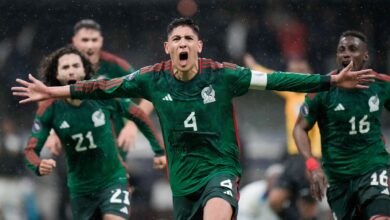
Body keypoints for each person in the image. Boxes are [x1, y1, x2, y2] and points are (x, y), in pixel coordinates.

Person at [13, 18, 374, 220]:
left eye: (189, 38)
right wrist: (53, 92)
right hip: (181, 179)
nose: (182, 43)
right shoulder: (150, 78)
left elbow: (277, 79)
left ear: (198, 47)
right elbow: (102, 87)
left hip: (220, 168)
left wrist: (330, 80)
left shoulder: (224, 75)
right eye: (176, 39)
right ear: (167, 48)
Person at [23, 45, 166, 220]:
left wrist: (159, 150)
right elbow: (30, 150)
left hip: (113, 179)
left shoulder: (101, 94)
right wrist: (38, 165)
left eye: (76, 66)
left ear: (85, 70)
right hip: (80, 189)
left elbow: (139, 115)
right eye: (65, 67)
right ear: (57, 74)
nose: (71, 71)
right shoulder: (49, 109)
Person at [293, 30, 390, 220]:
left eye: (353, 49)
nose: (346, 53)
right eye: (341, 49)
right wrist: (313, 165)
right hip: (338, 179)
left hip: (373, 168)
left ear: (366, 55)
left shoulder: (381, 85)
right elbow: (299, 128)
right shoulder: (321, 90)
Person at [45, 19, 154, 157]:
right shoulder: (63, 67)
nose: (90, 45)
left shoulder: (116, 66)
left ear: (101, 41)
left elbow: (150, 93)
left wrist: (132, 125)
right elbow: (47, 98)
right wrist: (51, 131)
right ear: (74, 41)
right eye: (84, 40)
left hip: (112, 142)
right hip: (73, 140)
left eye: (94, 40)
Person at [244, 55, 323, 219]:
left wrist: (315, 161)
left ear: (309, 73)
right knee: (275, 201)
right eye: (292, 73)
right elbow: (271, 78)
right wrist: (254, 65)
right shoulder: (291, 94)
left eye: (300, 72)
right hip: (292, 157)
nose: (296, 76)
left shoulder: (317, 96)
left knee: (308, 210)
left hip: (311, 157)